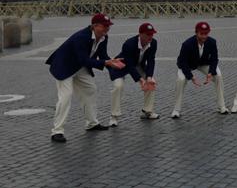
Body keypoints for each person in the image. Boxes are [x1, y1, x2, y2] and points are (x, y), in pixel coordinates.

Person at [46, 13, 124, 143]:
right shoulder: (81, 37)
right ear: (94, 26)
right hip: (64, 67)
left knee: (90, 89)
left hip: (79, 66)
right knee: (66, 96)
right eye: (104, 26)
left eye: (108, 26)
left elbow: (103, 55)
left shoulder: (104, 37)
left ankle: (91, 123)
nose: (107, 29)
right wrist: (106, 63)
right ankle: (57, 131)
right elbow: (85, 60)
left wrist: (113, 64)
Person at [171, 21, 229, 118]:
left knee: (218, 75)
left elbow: (214, 59)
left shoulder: (212, 42)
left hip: (203, 64)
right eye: (201, 34)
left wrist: (211, 73)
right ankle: (176, 110)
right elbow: (182, 62)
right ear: (196, 33)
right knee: (181, 80)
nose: (204, 36)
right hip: (188, 65)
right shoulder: (187, 44)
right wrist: (191, 77)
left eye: (206, 33)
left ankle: (222, 106)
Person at [108, 23, 159, 127]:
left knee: (151, 82)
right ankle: (114, 116)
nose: (150, 37)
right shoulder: (129, 44)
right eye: (148, 34)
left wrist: (148, 77)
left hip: (138, 64)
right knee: (118, 86)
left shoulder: (153, 43)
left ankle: (147, 112)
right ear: (140, 34)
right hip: (122, 65)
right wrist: (141, 80)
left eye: (152, 34)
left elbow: (151, 61)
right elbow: (130, 65)